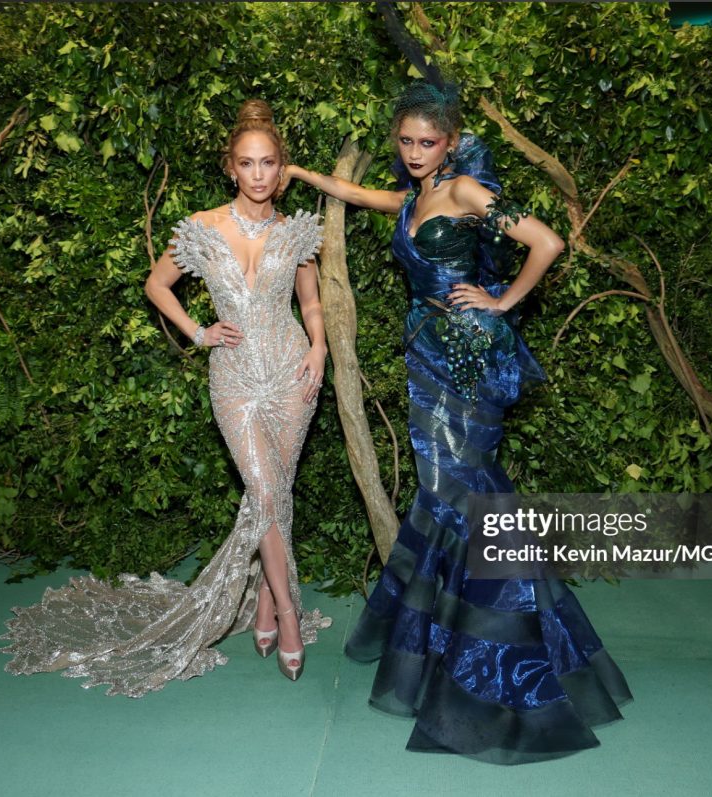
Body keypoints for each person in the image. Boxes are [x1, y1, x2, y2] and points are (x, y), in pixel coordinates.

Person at [285, 81, 632, 763]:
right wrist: (301, 174)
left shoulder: (469, 193)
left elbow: (548, 241)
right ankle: (474, 643)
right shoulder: (413, 197)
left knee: (460, 498)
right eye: (406, 141)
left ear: (450, 142)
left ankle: (493, 668)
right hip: (425, 359)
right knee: (450, 498)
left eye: (428, 142)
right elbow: (363, 197)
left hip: (470, 358)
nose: (415, 153)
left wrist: (501, 301)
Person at [0, 99, 331, 694]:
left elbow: (309, 301)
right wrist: (198, 332)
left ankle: (260, 605)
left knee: (274, 496)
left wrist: (319, 347)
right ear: (231, 167)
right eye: (247, 163)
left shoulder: (298, 231)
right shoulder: (202, 229)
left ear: (282, 169)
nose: (258, 174)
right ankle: (286, 613)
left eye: (269, 163)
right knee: (262, 487)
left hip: (291, 374)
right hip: (233, 379)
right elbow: (156, 284)